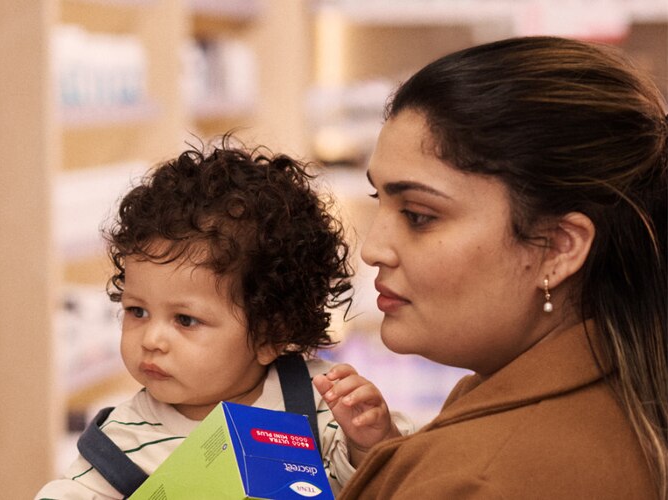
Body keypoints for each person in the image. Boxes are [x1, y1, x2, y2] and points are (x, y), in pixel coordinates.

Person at [343, 36, 667, 498]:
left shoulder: (478, 480)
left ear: (558, 247)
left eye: (419, 215)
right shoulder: (620, 387)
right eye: (380, 200)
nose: (373, 249)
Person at [35, 145, 413, 499]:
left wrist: (368, 443)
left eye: (185, 319)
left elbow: (390, 482)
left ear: (271, 332)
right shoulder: (122, 441)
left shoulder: (318, 403)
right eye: (137, 311)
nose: (151, 339)